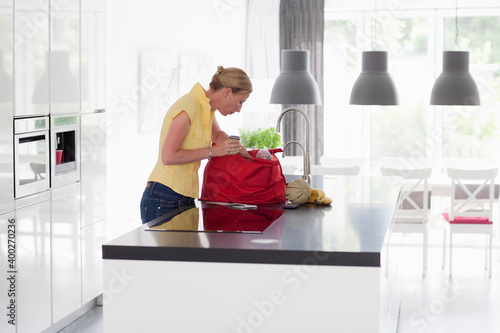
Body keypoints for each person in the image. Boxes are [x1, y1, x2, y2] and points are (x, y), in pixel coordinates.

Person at [140, 66, 253, 224]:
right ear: (227, 92)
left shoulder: (206, 108)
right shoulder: (189, 106)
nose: (239, 109)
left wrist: (245, 153)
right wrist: (213, 151)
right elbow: (168, 156)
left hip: (184, 197)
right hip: (163, 198)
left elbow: (218, 135)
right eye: (240, 102)